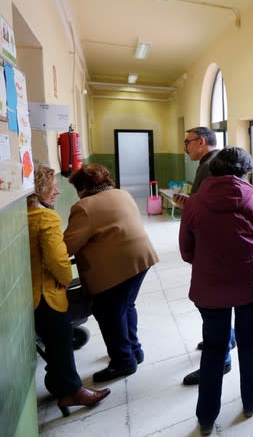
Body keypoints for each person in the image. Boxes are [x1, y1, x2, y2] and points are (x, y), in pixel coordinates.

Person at [179, 147, 253, 435]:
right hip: (251, 285)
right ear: (245, 171)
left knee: (214, 348)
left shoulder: (194, 203)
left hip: (209, 289)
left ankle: (206, 418)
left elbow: (186, 251)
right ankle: (251, 401)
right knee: (250, 341)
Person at [64, 163, 159, 383]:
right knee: (126, 306)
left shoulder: (85, 207)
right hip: (140, 259)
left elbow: (68, 245)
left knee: (108, 312)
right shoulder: (120, 194)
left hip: (117, 267)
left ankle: (123, 361)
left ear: (83, 187)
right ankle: (134, 350)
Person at [28, 165, 111, 416]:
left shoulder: (22, 217)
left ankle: (58, 383)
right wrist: (65, 280)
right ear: (38, 189)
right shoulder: (45, 218)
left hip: (30, 295)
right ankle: (71, 391)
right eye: (51, 187)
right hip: (46, 294)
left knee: (53, 343)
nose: (57, 191)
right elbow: (58, 260)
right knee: (61, 342)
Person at [175, 127, 236, 387]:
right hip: (221, 248)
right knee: (219, 304)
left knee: (213, 304)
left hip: (212, 249)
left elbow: (205, 209)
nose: (185, 147)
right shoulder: (215, 163)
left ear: (201, 142)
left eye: (187, 142)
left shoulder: (209, 165)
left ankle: (220, 358)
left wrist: (189, 206)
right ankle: (227, 339)